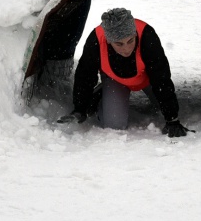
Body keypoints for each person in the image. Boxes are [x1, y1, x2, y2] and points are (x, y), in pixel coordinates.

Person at [61, 7, 188, 136]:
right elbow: (85, 75)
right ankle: (101, 93)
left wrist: (172, 119)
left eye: (130, 41)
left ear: (134, 35)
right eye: (119, 44)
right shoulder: (96, 40)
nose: (126, 49)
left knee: (162, 107)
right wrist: (80, 108)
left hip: (147, 78)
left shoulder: (147, 36)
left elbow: (161, 77)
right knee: (114, 125)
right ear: (109, 41)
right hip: (114, 79)